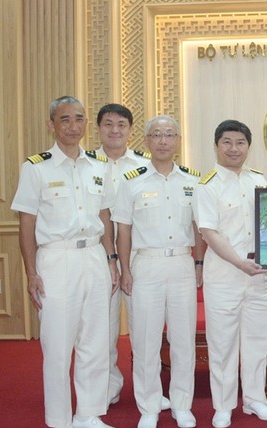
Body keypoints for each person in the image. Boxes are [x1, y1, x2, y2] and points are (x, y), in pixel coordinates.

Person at [12, 96, 121, 428]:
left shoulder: (97, 164)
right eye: (64, 120)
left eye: (78, 119)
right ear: (51, 125)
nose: (72, 126)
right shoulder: (36, 168)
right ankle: (61, 422)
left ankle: (89, 414)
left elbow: (104, 216)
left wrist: (110, 258)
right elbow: (25, 223)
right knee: (58, 346)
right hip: (56, 261)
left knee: (95, 342)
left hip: (93, 257)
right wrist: (31, 273)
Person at [112, 115, 204, 428]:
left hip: (181, 264)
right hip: (145, 266)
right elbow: (122, 229)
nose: (163, 140)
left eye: (169, 134)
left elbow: (199, 228)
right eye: (157, 135)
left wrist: (199, 264)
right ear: (147, 141)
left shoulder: (193, 180)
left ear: (178, 140)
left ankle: (181, 405)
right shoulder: (131, 179)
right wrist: (125, 269)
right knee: (146, 341)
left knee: (182, 341)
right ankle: (149, 406)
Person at [193, 120, 267, 428]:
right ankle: (224, 405)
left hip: (258, 273)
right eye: (227, 142)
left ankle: (255, 400)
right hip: (225, 274)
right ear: (216, 146)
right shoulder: (207, 185)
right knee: (223, 343)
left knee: (257, 339)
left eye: (240, 142)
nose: (234, 148)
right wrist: (239, 263)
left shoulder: (259, 180)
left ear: (248, 147)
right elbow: (209, 233)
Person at [94, 103, 172, 412]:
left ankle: (150, 389)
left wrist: (123, 263)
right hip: (96, 258)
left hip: (137, 261)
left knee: (144, 330)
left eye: (121, 125)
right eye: (108, 124)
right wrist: (110, 258)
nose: (115, 130)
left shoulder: (144, 164)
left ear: (130, 130)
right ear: (98, 128)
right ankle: (107, 387)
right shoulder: (86, 164)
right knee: (102, 329)